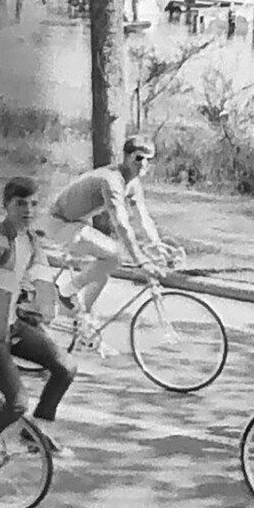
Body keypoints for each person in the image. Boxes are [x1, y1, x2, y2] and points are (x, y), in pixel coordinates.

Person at [0, 177, 78, 477]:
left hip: (11, 325)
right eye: (20, 204)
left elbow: (39, 283)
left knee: (65, 366)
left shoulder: (31, 240)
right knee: (16, 403)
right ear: (6, 206)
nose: (28, 210)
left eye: (34, 204)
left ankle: (35, 433)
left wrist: (59, 307)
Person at [37, 136, 167, 352]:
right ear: (126, 157)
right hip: (59, 224)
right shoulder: (111, 181)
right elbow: (122, 224)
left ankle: (84, 328)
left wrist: (157, 244)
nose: (143, 165)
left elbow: (143, 218)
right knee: (114, 255)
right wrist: (140, 260)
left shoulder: (132, 183)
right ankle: (68, 291)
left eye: (148, 160)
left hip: (75, 222)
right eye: (138, 158)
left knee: (108, 264)